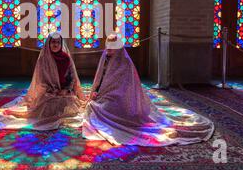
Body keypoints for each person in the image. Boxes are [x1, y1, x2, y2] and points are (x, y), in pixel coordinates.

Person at [83, 34, 215, 146]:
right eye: (108, 48)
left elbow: (128, 89)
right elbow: (100, 78)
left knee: (99, 110)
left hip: (122, 100)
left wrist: (111, 96)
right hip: (106, 95)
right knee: (94, 106)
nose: (109, 51)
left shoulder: (126, 63)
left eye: (112, 49)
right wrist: (96, 92)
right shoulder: (105, 58)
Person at [0, 32, 85, 130]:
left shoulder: (66, 58)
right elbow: (41, 81)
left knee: (68, 103)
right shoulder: (43, 59)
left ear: (61, 44)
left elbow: (72, 77)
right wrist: (53, 91)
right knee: (48, 105)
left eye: (58, 42)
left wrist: (66, 90)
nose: (55, 45)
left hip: (65, 91)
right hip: (48, 92)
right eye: (53, 42)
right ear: (48, 44)